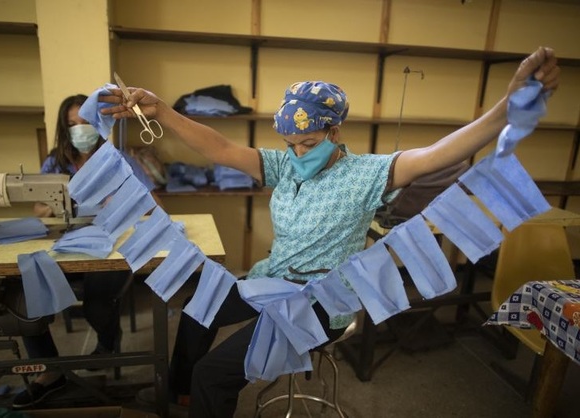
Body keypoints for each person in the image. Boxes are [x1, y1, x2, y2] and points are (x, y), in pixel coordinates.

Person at [100, 47, 560, 418]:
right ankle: (181, 397)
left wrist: (506, 107)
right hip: (270, 279)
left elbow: (439, 153)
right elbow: (220, 148)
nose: (299, 152)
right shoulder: (285, 166)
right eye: (291, 144)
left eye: (309, 143)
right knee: (199, 310)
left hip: (320, 302)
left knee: (214, 373)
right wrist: (160, 110)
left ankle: (197, 390)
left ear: (335, 130)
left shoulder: (367, 175)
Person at [12, 94, 162, 409]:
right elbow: (40, 206)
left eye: (85, 122)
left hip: (111, 247)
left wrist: (123, 201)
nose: (79, 129)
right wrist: (49, 206)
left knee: (97, 301)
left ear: (99, 124)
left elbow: (155, 206)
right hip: (67, 244)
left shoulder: (119, 159)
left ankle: (108, 342)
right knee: (25, 295)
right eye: (71, 124)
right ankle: (49, 372)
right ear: (63, 129)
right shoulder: (55, 162)